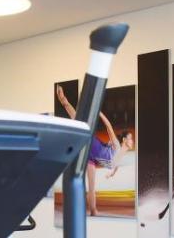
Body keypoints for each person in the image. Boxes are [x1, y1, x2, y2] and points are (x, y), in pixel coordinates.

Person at [55, 85, 133, 216]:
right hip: (91, 142)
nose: (132, 141)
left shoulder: (119, 156)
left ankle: (93, 210)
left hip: (90, 158)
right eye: (130, 138)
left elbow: (115, 165)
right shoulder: (116, 145)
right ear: (124, 140)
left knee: (91, 187)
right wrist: (99, 113)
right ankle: (64, 101)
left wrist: (111, 174)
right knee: (77, 121)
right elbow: (108, 126)